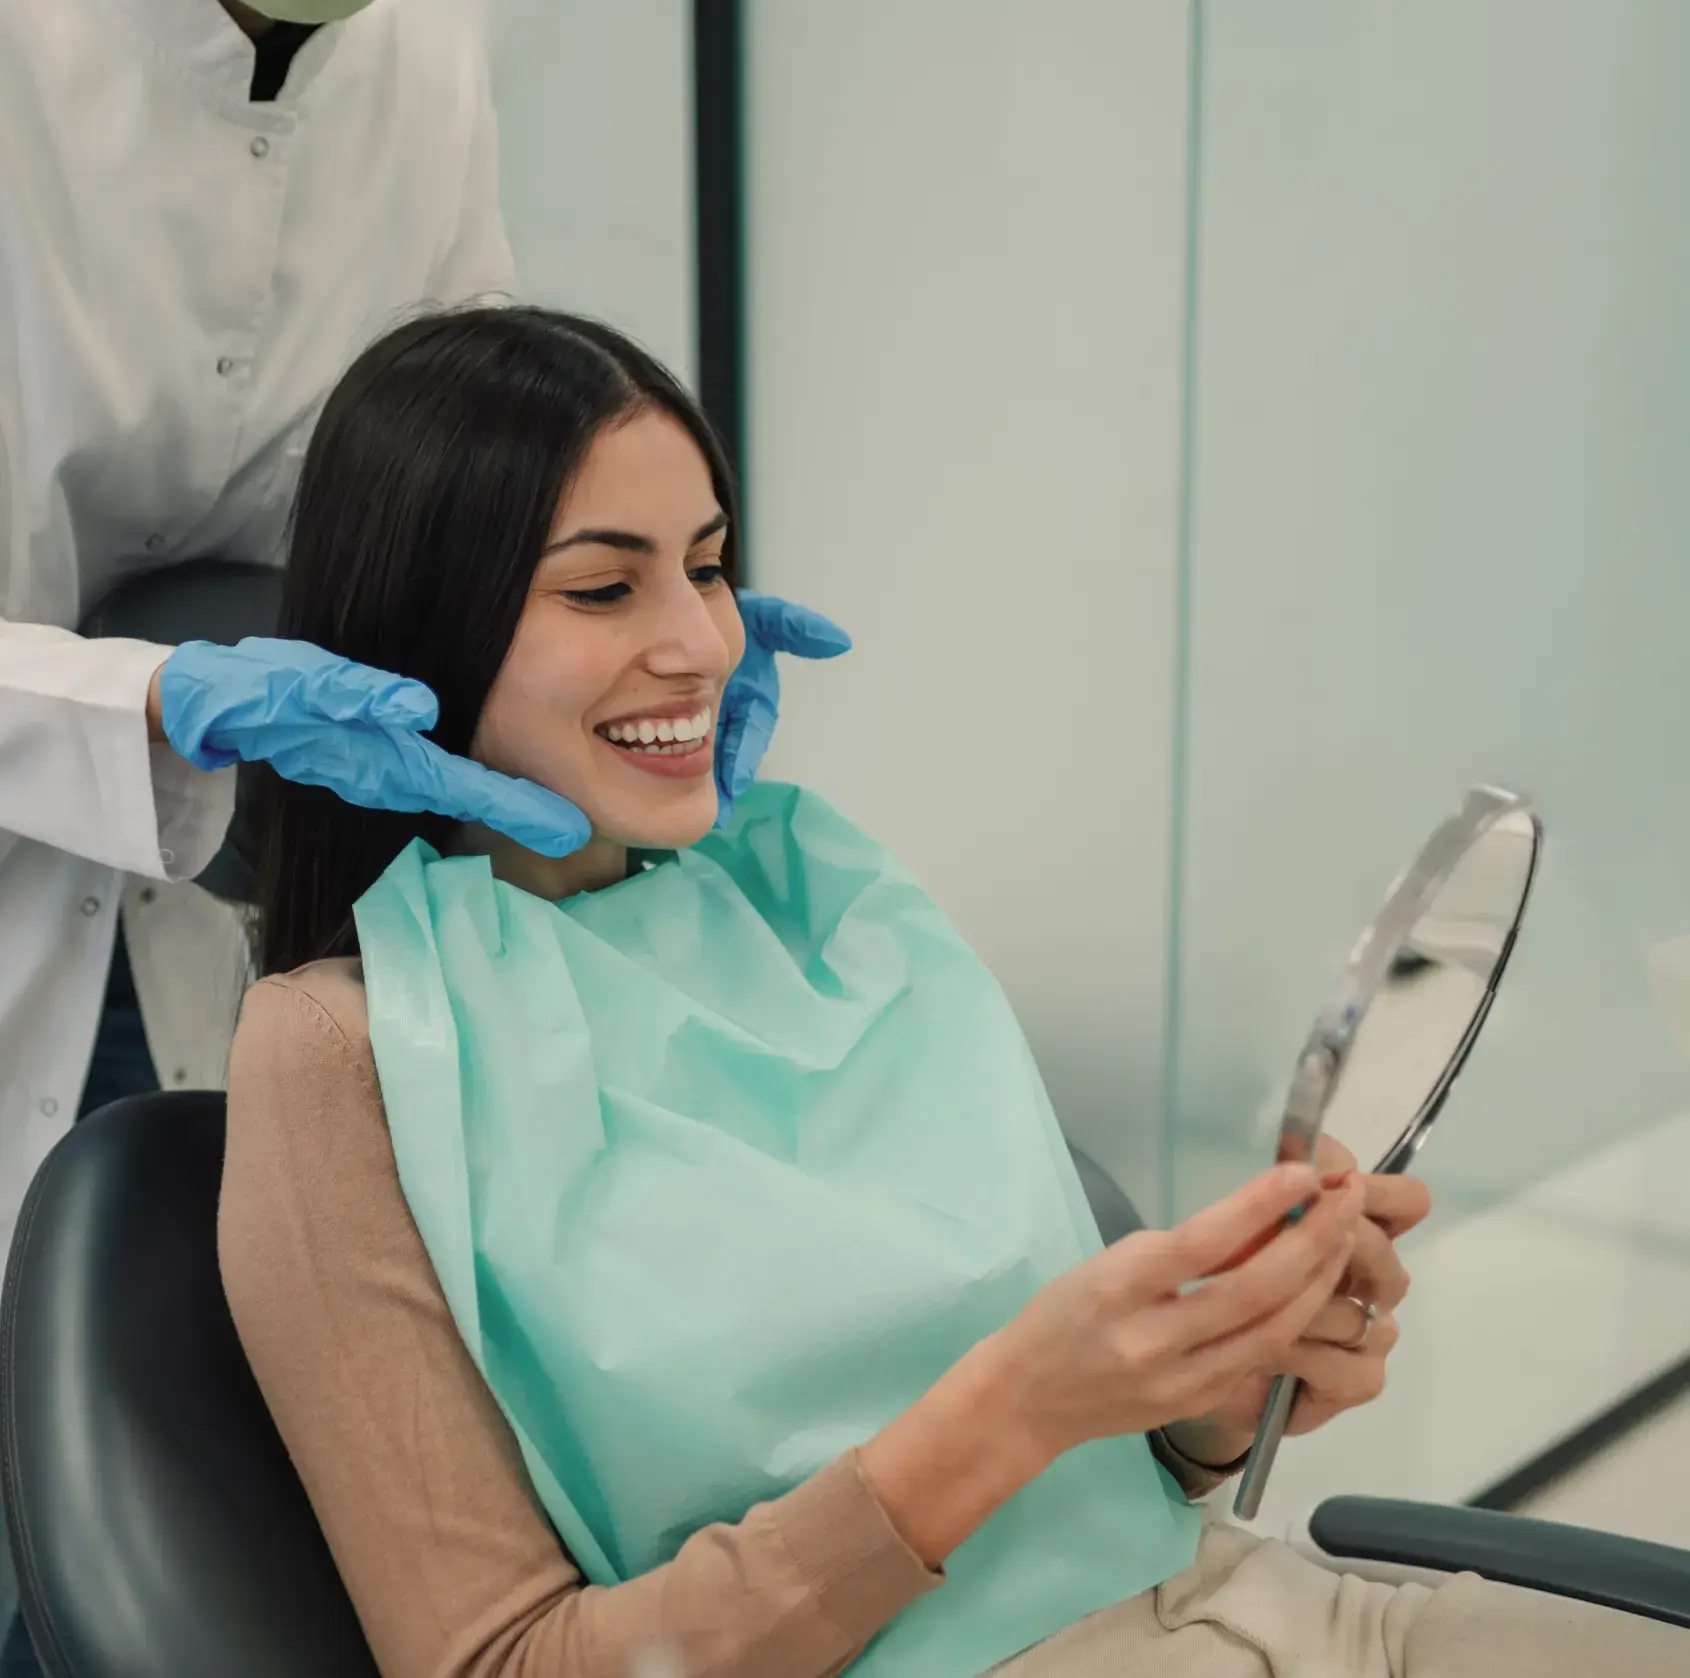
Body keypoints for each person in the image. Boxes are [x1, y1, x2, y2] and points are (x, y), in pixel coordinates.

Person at [220, 308, 1687, 1678]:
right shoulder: (347, 1049)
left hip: (1252, 1608)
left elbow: (1102, 1490)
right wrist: (1011, 1408)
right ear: (426, 622)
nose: (703, 642)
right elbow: (506, 1662)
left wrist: (1209, 1395)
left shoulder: (810, 891)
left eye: (709, 567)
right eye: (605, 587)